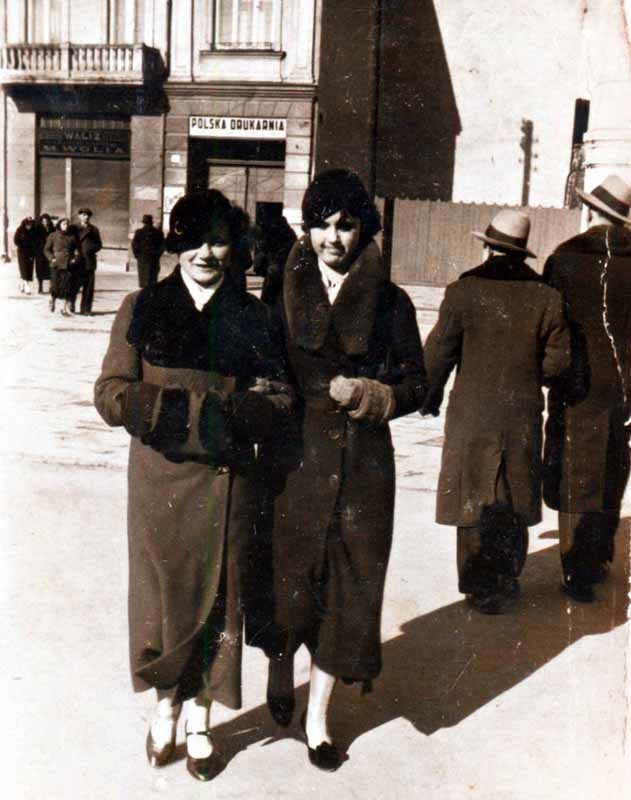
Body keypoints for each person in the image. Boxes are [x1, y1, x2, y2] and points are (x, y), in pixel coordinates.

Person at [94, 189, 292, 782]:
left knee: (220, 598)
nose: (208, 252)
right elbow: (108, 393)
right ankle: (164, 710)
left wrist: (235, 418)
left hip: (225, 484)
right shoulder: (140, 305)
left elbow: (280, 397)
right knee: (160, 598)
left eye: (220, 239)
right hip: (157, 483)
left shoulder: (253, 315)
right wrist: (178, 412)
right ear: (177, 242)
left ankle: (201, 720)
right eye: (196, 238)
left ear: (235, 247)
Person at [261, 169, 427, 771]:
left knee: (348, 589)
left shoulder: (390, 300)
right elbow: (263, 364)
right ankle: (281, 666)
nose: (332, 239)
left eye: (345, 225)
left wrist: (372, 393)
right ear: (306, 228)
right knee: (288, 579)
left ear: (364, 228)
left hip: (362, 466)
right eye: (321, 225)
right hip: (294, 458)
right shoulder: (280, 287)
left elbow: (418, 382)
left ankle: (319, 719)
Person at [422, 210, 570, 614]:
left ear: (486, 246)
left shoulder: (463, 291)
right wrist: (528, 374)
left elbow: (438, 354)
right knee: (514, 492)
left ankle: (477, 585)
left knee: (474, 493)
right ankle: (507, 578)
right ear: (522, 254)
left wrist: (427, 396)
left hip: (472, 411)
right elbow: (559, 363)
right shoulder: (547, 297)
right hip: (520, 411)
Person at [543, 174, 631, 602]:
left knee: (576, 470)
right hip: (624, 389)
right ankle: (598, 558)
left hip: (575, 384)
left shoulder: (563, 259)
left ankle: (576, 570)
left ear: (591, 212)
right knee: (613, 467)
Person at [252, 207, 297, 306]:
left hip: (274, 278)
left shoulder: (269, 235)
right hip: (286, 281)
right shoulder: (290, 235)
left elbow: (258, 267)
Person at [43, 218, 79, 316]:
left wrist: (74, 258)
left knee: (67, 287)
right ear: (59, 225)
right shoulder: (52, 236)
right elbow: (46, 250)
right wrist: (52, 259)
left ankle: (65, 308)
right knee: (55, 285)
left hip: (68, 265)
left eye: (67, 224)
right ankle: (52, 300)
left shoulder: (72, 237)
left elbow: (76, 250)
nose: (66, 226)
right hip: (56, 264)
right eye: (63, 224)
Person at [74, 207, 102, 315]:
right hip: (77, 261)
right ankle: (71, 304)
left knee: (89, 287)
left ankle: (86, 309)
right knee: (74, 285)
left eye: (87, 215)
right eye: (83, 215)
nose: (85, 217)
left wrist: (91, 249)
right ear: (79, 216)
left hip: (89, 261)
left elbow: (99, 245)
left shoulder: (94, 230)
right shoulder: (74, 228)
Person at [131, 214, 165, 288]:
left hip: (143, 258)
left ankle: (144, 292)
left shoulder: (139, 232)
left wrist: (137, 255)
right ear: (151, 222)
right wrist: (157, 255)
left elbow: (134, 245)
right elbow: (162, 246)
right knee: (152, 278)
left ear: (144, 223)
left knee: (143, 278)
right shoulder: (158, 232)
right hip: (152, 258)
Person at [14, 216, 37, 295]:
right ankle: (27, 286)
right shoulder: (20, 230)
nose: (29, 226)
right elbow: (16, 240)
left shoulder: (33, 231)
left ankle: (22, 284)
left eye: (30, 224)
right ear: (24, 224)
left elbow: (35, 241)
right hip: (22, 253)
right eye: (27, 224)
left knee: (29, 269)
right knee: (24, 269)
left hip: (31, 253)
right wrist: (22, 246)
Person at [34, 213, 54, 293]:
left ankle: (51, 287)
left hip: (50, 252)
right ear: (41, 221)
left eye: (47, 220)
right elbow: (34, 240)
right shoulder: (37, 229)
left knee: (50, 269)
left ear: (49, 221)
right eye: (43, 220)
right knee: (40, 270)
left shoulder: (52, 229)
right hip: (40, 253)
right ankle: (40, 287)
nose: (45, 222)